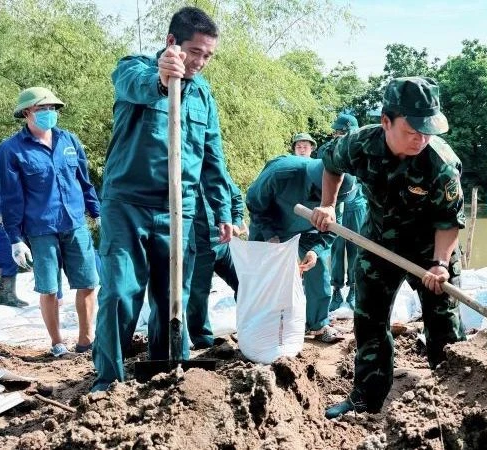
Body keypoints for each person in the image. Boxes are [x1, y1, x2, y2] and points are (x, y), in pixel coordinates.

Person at [92, 6, 233, 391]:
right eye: (194, 52)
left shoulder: (203, 95)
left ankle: (170, 374)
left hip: (180, 208)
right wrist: (161, 77)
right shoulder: (134, 68)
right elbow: (134, 85)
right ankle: (108, 379)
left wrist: (223, 208)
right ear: (172, 42)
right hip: (128, 204)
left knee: (173, 298)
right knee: (121, 292)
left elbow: (212, 157)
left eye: (208, 55)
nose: (200, 62)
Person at [310, 77, 466, 418]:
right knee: (369, 319)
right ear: (386, 122)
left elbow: (449, 221)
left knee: (444, 324)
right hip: (378, 242)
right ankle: (366, 397)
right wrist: (327, 204)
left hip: (431, 251)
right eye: (413, 130)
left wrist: (440, 264)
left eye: (428, 130)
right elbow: (331, 164)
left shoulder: (441, 164)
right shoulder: (360, 144)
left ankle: (454, 400)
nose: (421, 139)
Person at [0, 87, 99, 356]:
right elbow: (10, 197)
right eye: (43, 109)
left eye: (53, 108)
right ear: (27, 113)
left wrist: (97, 213)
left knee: (88, 282)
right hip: (41, 228)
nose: (49, 113)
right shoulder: (11, 150)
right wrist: (15, 239)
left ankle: (86, 340)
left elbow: (84, 181)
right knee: (50, 288)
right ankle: (57, 344)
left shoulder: (69, 140)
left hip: (75, 223)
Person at [246, 155, 357, 343]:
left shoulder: (334, 198)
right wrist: (271, 236)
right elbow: (254, 203)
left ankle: (318, 323)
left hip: (307, 231)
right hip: (269, 224)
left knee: (317, 264)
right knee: (262, 274)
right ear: (317, 186)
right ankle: (260, 324)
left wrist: (315, 250)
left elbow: (330, 229)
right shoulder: (282, 173)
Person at [186, 175, 245, 349]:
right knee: (198, 296)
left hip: (224, 244)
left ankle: (247, 327)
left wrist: (236, 221)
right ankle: (203, 342)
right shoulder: (182, 177)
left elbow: (236, 197)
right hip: (197, 248)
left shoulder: (217, 174)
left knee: (246, 284)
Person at [328, 113, 368, 310]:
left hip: (356, 203)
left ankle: (353, 289)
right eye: (336, 132)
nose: (338, 135)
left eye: (342, 132)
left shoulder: (364, 150)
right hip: (335, 205)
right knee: (335, 248)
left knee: (355, 248)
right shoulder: (328, 150)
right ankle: (335, 290)